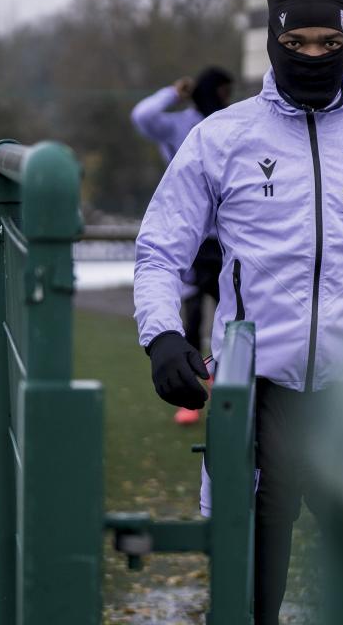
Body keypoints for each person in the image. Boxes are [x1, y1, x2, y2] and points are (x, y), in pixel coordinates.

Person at [133, 0, 343, 625]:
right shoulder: (221, 138)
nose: (314, 57)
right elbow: (160, 250)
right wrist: (162, 336)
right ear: (273, 40)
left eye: (330, 43)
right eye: (297, 43)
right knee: (250, 592)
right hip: (259, 394)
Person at [131, 65, 234, 424]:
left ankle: (231, 380)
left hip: (225, 240)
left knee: (237, 311)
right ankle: (190, 396)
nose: (223, 99)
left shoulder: (233, 127)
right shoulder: (180, 124)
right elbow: (141, 115)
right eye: (219, 91)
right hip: (188, 236)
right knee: (190, 316)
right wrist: (174, 92)